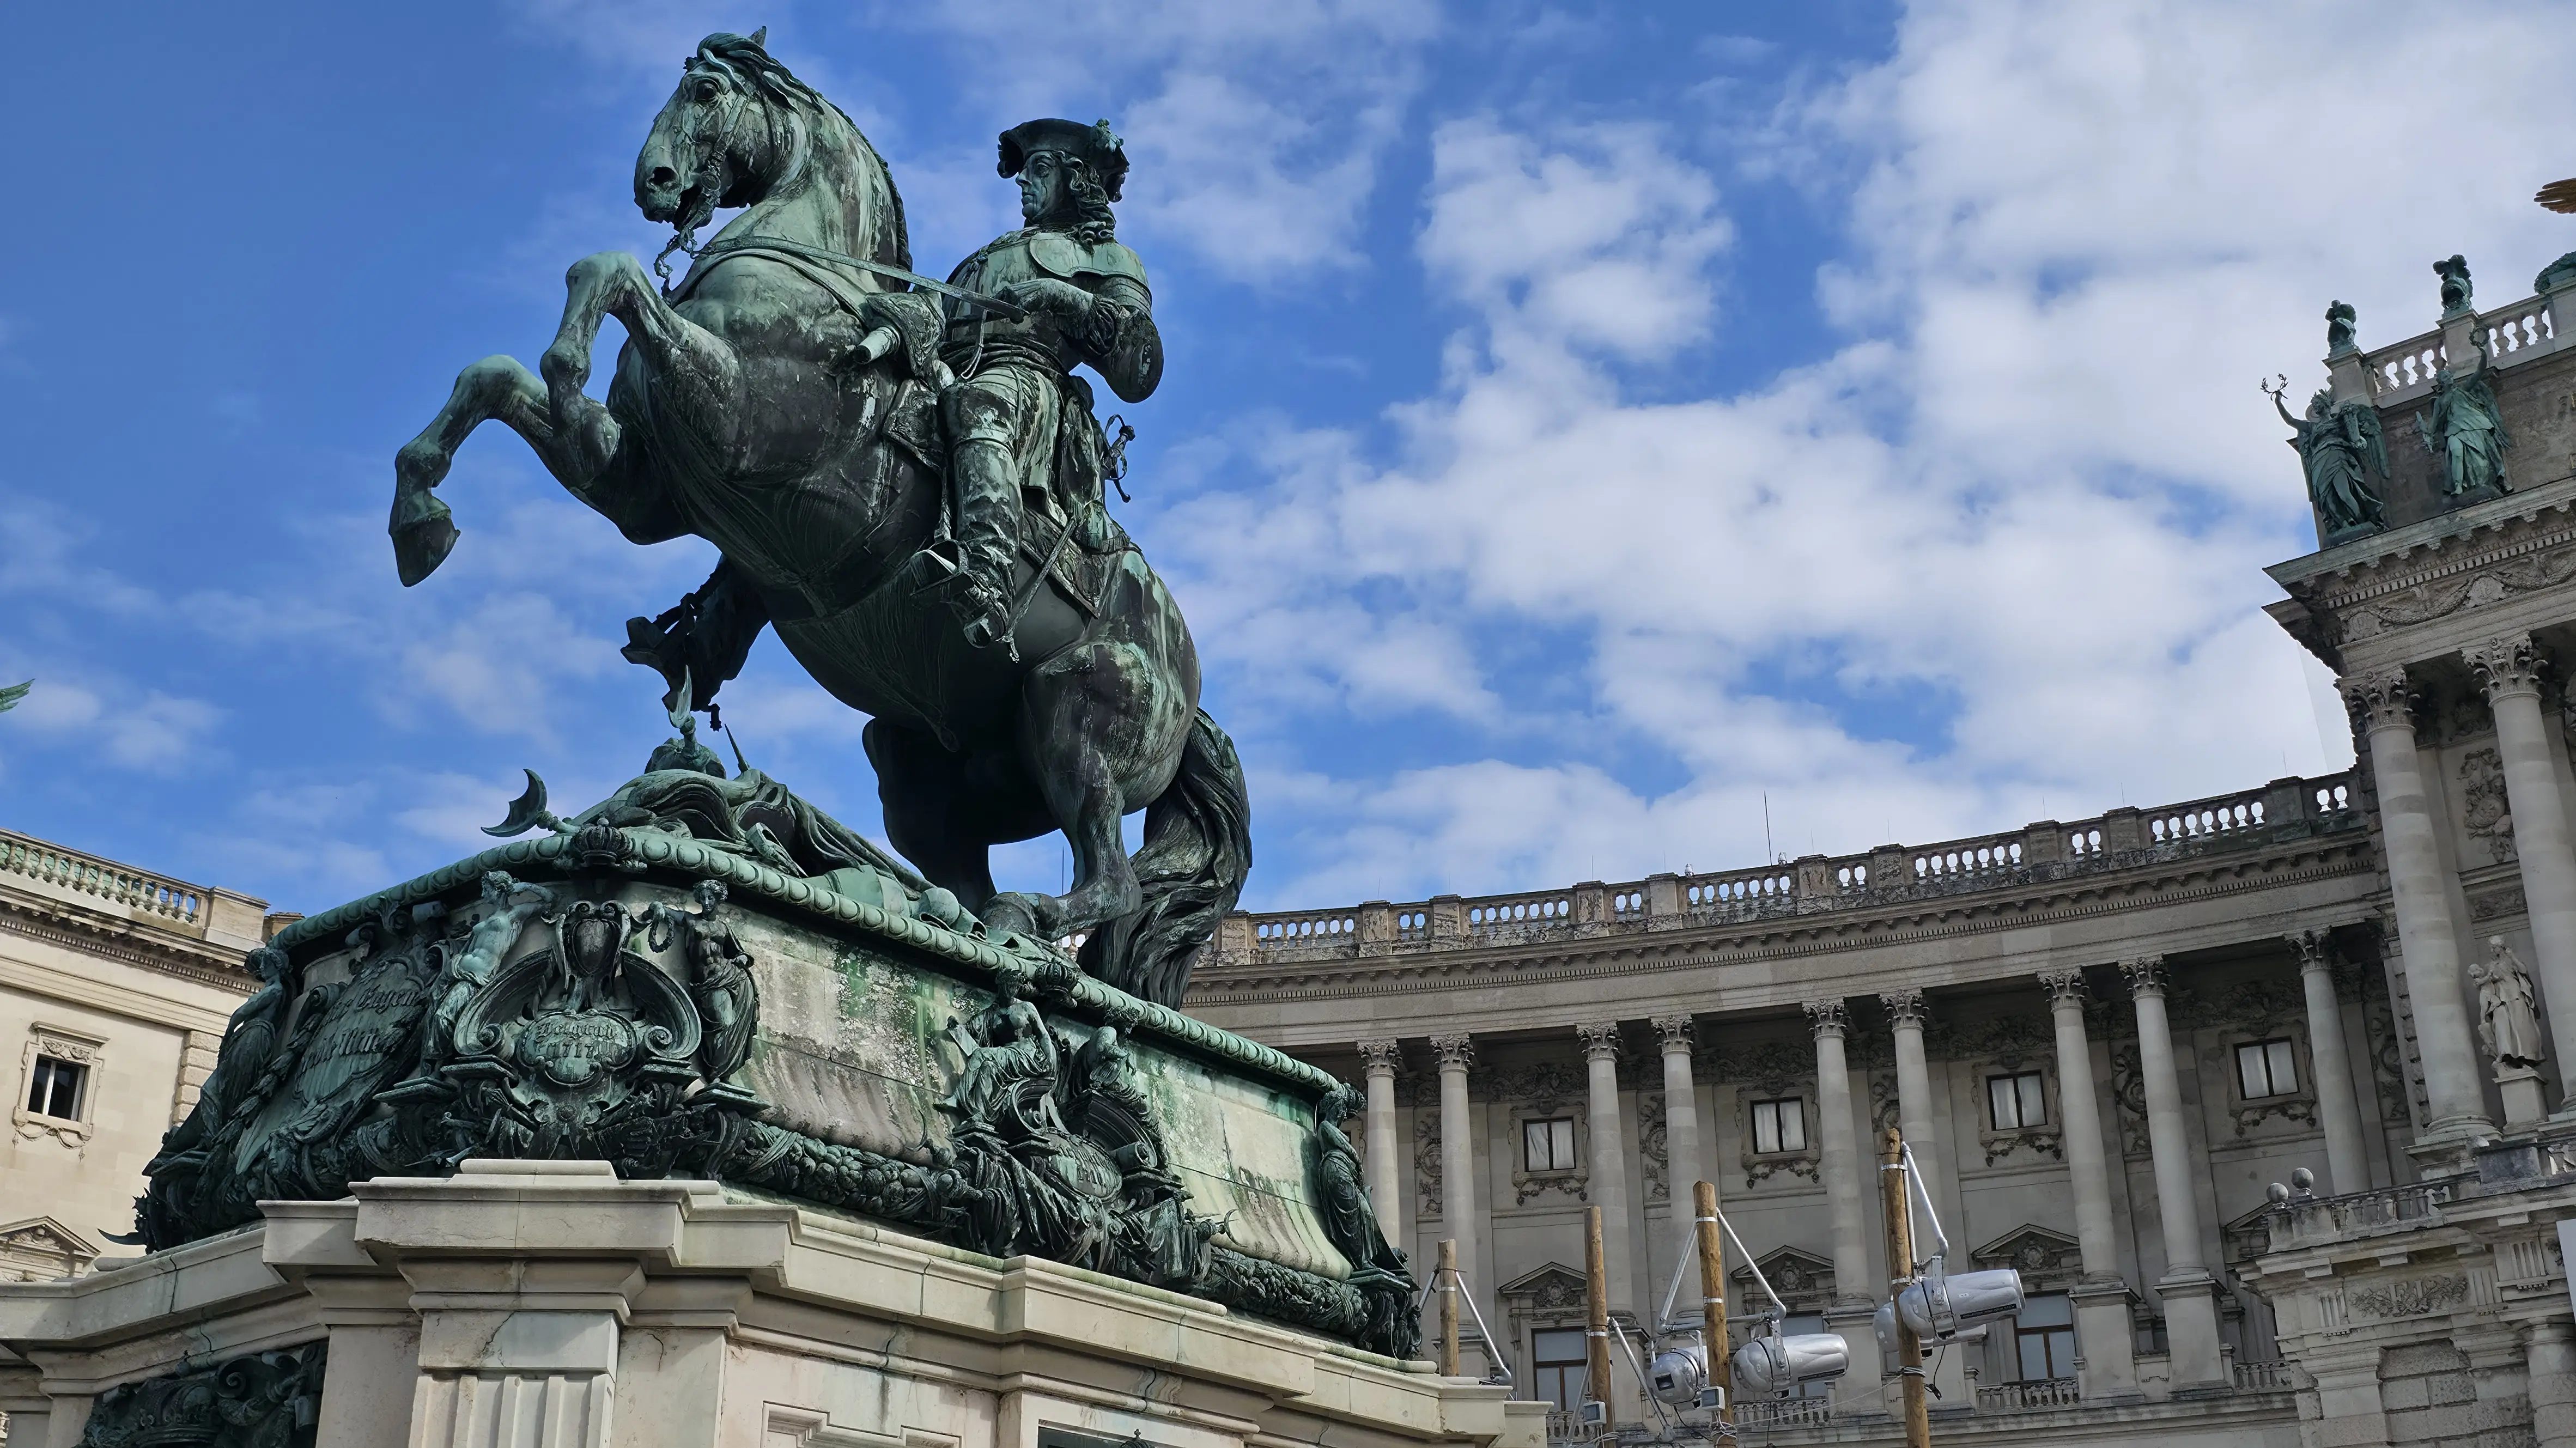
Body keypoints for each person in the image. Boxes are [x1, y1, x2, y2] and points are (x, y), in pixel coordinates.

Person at [914, 119, 1162, 650]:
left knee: (980, 404)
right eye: (1023, 172)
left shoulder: (1107, 259)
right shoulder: (985, 254)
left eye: (1039, 170)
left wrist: (1068, 298)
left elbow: (1141, 367)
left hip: (1027, 378)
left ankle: (988, 574)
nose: (1024, 183)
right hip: (944, 371)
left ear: (1075, 180)